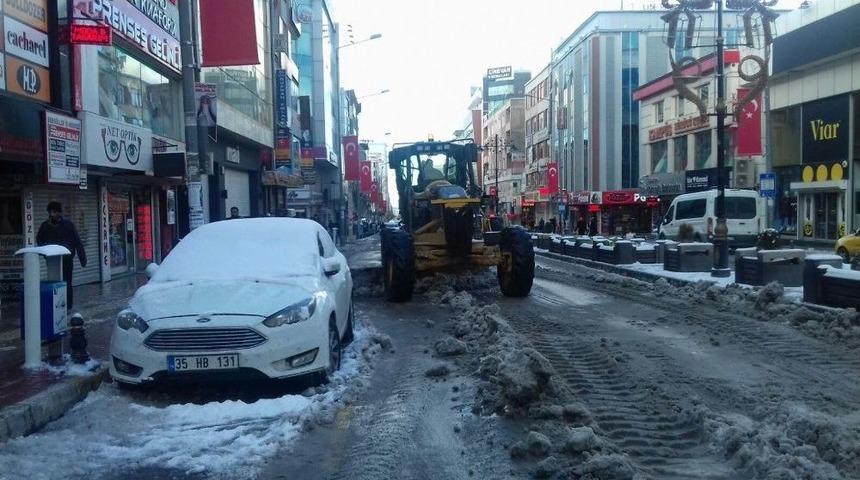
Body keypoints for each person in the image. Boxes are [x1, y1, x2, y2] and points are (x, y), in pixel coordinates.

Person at [37, 202, 87, 311]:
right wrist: (46, 253)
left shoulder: (68, 225)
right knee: (54, 282)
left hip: (67, 259)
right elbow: (39, 240)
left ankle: (67, 306)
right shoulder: (45, 226)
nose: (52, 214)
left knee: (67, 283)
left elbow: (77, 242)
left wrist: (82, 259)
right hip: (52, 260)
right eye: (50, 212)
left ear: (59, 212)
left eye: (54, 212)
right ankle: (55, 305)